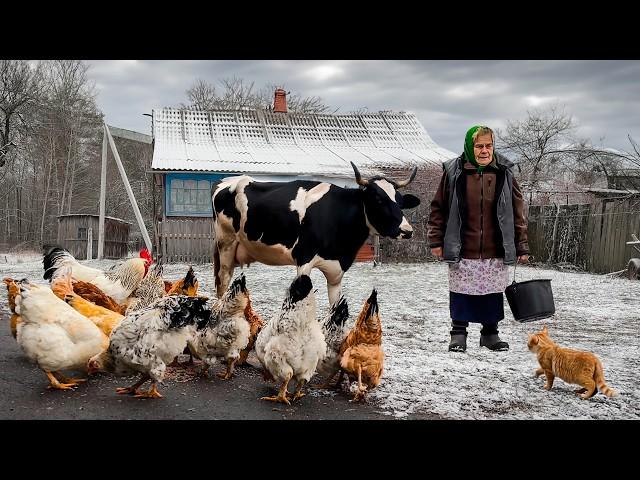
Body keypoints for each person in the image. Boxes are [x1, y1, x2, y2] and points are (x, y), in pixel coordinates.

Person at [427, 125, 529, 352]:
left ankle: (490, 335)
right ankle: (459, 334)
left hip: (495, 247)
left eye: (489, 145)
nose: (484, 150)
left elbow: (517, 211)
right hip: (463, 246)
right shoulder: (454, 171)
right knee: (462, 291)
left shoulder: (504, 171)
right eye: (479, 146)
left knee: (492, 292)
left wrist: (521, 245)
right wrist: (436, 240)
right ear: (470, 147)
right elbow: (438, 208)